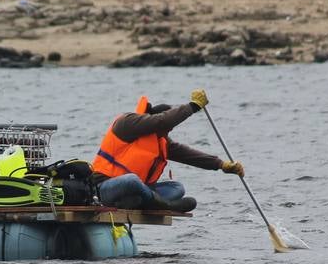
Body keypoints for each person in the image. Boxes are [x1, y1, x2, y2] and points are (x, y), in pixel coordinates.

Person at [90, 89, 244, 211]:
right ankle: (162, 205)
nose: (167, 132)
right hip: (103, 189)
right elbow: (162, 120)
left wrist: (221, 165)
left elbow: (188, 155)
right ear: (152, 121)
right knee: (132, 180)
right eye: (166, 128)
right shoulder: (127, 123)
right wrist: (193, 106)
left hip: (135, 194)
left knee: (177, 188)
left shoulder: (160, 141)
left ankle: (142, 202)